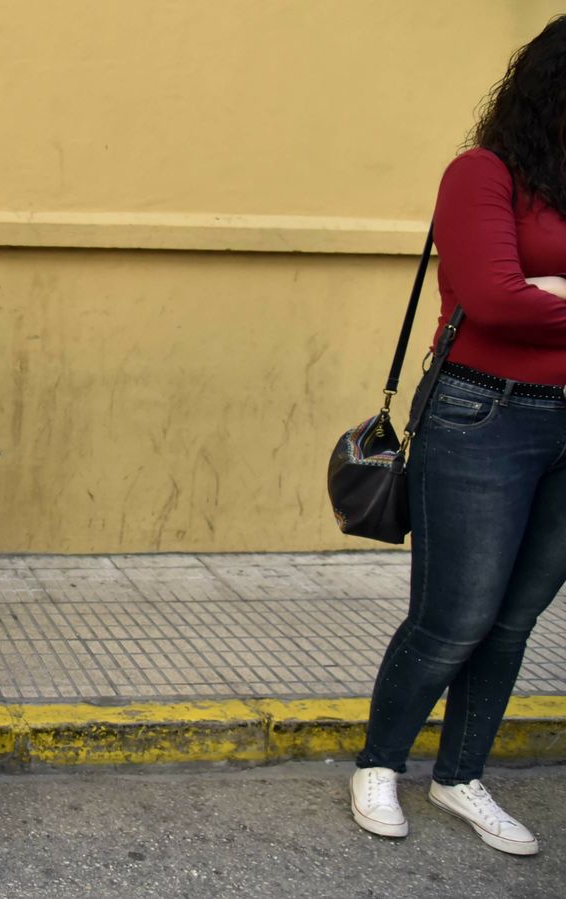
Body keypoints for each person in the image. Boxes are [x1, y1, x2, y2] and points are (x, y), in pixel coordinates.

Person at [349, 16, 566, 858]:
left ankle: (460, 774)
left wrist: (551, 285)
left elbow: (531, 296)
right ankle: (380, 761)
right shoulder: (484, 174)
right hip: (484, 416)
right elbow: (497, 297)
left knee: (514, 620)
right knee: (456, 616)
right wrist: (532, 290)